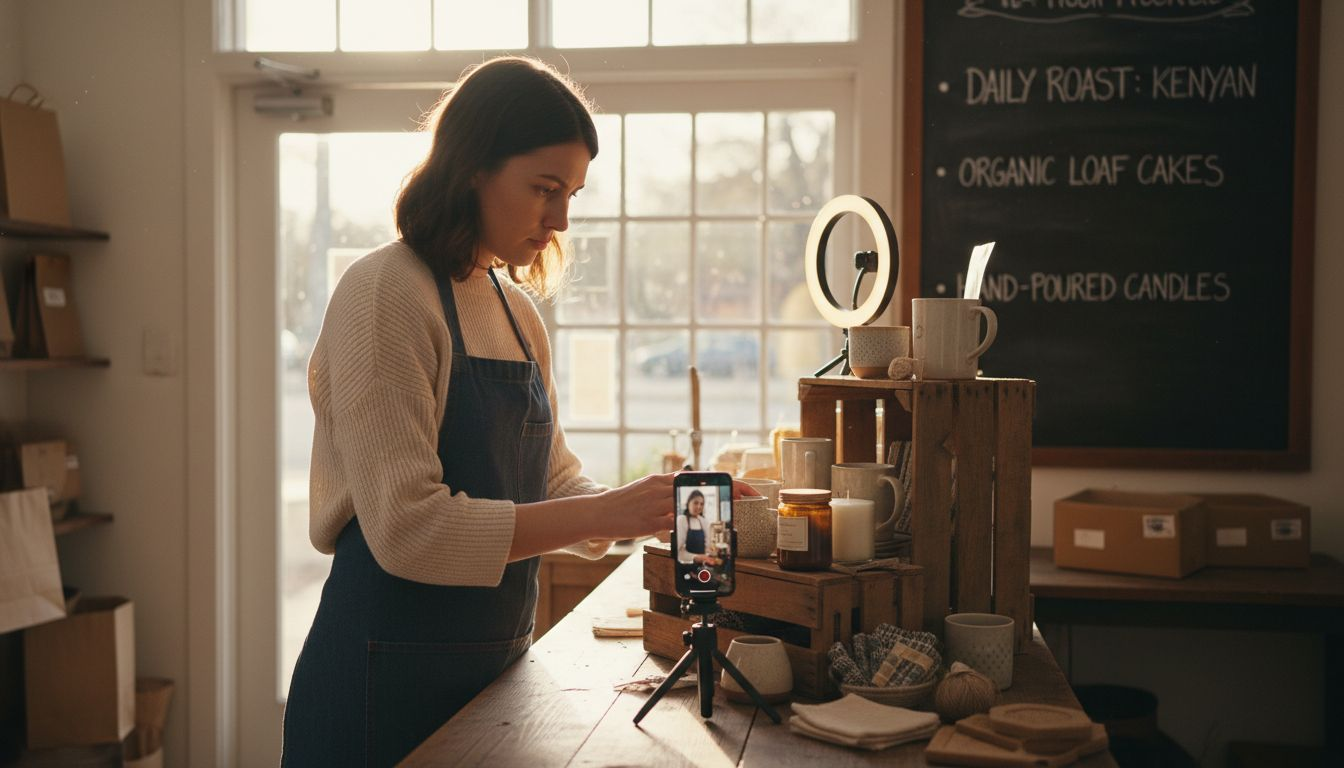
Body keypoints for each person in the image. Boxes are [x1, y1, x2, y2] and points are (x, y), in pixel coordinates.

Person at [281, 56, 701, 766]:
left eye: (572, 193)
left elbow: (556, 480)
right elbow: (409, 529)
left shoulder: (516, 313)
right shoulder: (384, 293)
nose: (562, 218)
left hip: (493, 671)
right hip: (381, 681)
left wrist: (654, 507)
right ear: (473, 166)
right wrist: (606, 515)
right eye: (545, 189)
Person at [676, 489, 720, 566]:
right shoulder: (681, 520)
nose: (699, 506)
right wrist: (696, 557)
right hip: (686, 565)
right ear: (688, 503)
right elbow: (678, 552)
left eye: (702, 504)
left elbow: (708, 548)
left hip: (702, 565)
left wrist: (715, 551)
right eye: (696, 503)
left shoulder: (704, 521)